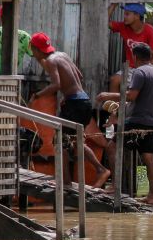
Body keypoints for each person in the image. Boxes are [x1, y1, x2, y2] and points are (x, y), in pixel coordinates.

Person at [28, 32, 111, 188]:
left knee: (60, 141)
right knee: (74, 142)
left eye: (32, 50)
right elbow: (78, 75)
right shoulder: (62, 55)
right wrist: (68, 94)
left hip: (75, 104)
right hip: (83, 101)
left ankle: (66, 181)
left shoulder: (51, 61)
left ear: (36, 49)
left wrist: (37, 95)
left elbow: (56, 85)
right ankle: (101, 169)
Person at [96, 43, 153, 204]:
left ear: (135, 57)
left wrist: (108, 94)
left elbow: (131, 96)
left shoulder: (139, 72)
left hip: (136, 122)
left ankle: (115, 185)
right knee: (149, 158)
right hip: (152, 122)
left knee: (112, 147)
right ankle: (152, 196)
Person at [107, 2, 153, 93]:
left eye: (127, 14)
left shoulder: (151, 31)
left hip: (152, 66)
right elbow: (106, 22)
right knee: (114, 80)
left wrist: (146, 73)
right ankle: (115, 107)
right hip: (132, 68)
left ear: (137, 16)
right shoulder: (123, 27)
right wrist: (113, 5)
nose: (124, 17)